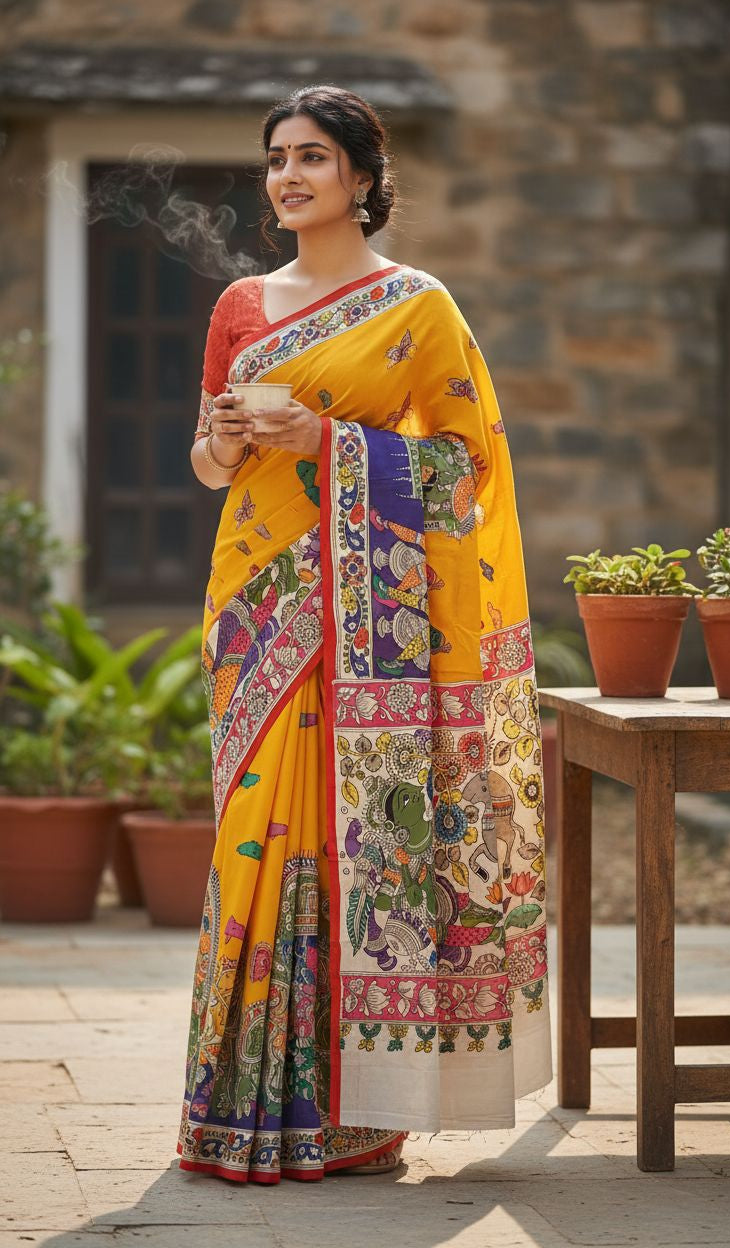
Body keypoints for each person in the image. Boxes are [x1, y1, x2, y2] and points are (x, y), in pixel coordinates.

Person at [177, 83, 552, 1186]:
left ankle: (355, 1109)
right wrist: (234, 441)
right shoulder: (243, 302)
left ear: (360, 177)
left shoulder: (418, 306)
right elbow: (206, 467)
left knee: (361, 845)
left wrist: (330, 435)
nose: (289, 177)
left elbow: (468, 468)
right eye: (276, 159)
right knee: (254, 842)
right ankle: (237, 1106)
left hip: (375, 628)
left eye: (313, 158)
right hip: (256, 608)